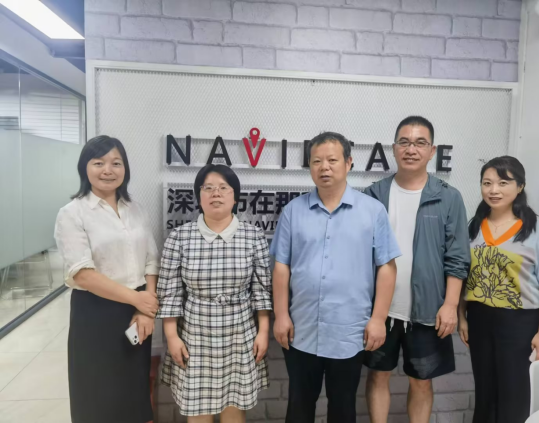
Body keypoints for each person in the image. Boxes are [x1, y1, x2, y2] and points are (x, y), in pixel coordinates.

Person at [270, 132, 401, 423]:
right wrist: (281, 315)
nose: (324, 167)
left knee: (343, 409)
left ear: (348, 163)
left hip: (349, 331)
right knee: (299, 406)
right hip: (301, 329)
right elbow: (281, 267)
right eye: (316, 161)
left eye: (332, 160)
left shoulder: (372, 211)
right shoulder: (293, 211)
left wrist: (378, 319)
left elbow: (387, 267)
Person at [364, 116, 471, 423]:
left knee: (422, 381)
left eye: (420, 143)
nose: (411, 149)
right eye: (405, 142)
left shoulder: (448, 197)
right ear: (394, 148)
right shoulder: (374, 195)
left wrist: (450, 305)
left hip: (429, 310)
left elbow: (457, 257)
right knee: (377, 375)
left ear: (432, 150)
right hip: (380, 310)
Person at [55, 135, 159, 423]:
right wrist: (138, 299)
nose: (108, 170)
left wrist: (145, 308)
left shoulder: (136, 209)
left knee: (133, 392)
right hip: (95, 312)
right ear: (84, 168)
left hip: (137, 312)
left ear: (125, 168)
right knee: (96, 393)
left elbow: (152, 260)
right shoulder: (72, 213)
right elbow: (83, 274)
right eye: (98, 163)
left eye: (116, 163)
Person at [157, 164, 272, 423]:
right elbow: (170, 294)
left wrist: (263, 331)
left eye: (223, 188)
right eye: (208, 188)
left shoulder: (253, 236)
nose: (215, 193)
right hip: (194, 334)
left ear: (235, 196)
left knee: (234, 407)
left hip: (240, 333)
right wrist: (172, 337)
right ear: (199, 197)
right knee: (198, 411)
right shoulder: (179, 238)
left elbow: (262, 290)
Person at [458, 156, 539, 423]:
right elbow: (464, 275)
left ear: (520, 186)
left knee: (515, 394)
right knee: (485, 392)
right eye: (487, 183)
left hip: (520, 322)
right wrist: (461, 316)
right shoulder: (473, 226)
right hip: (479, 318)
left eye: (503, 183)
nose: (494, 190)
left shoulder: (538, 229)